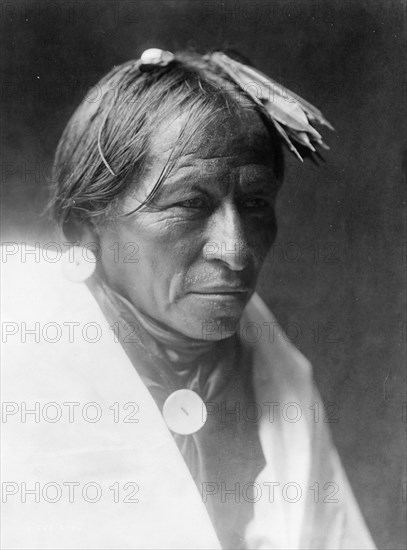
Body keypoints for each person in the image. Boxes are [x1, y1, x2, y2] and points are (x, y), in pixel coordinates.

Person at [1, 48, 376, 549]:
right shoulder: (18, 351)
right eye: (189, 204)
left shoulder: (275, 370)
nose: (236, 251)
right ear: (84, 228)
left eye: (255, 203)